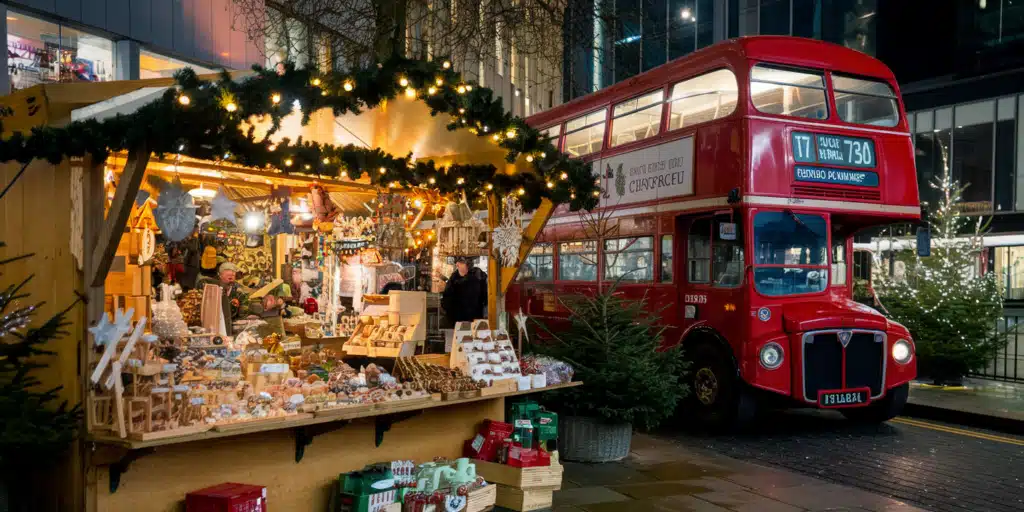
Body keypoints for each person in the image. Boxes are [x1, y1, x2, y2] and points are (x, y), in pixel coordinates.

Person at [442, 257, 487, 326]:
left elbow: (485, 295)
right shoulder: (454, 278)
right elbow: (447, 298)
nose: (457, 265)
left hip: (473, 317)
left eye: (460, 263)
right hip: (461, 318)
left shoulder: (478, 275)